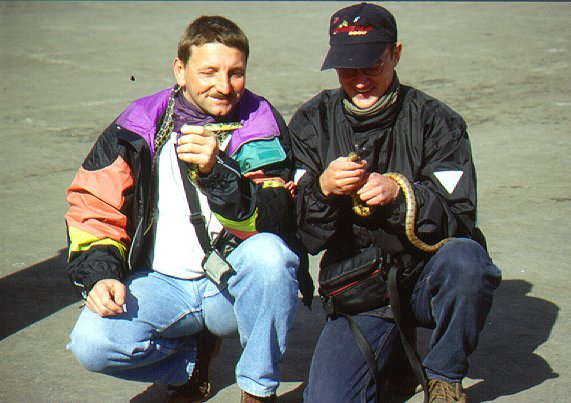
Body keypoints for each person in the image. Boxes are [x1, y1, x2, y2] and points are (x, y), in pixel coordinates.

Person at [65, 15, 312, 403]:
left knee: (272, 258)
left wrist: (218, 174)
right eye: (209, 72)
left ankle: (258, 388)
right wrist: (101, 275)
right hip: (162, 283)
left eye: (236, 73)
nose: (223, 86)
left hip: (229, 286)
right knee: (91, 343)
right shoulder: (139, 123)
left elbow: (276, 218)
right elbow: (92, 205)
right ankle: (193, 357)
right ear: (180, 70)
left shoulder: (259, 122)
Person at [288, 3, 501, 403]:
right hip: (359, 288)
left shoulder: (437, 121)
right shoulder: (311, 121)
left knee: (467, 260)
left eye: (372, 66)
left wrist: (400, 193)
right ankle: (395, 363)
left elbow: (461, 219)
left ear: (396, 54)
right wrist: (323, 188)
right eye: (349, 69)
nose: (361, 81)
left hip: (426, 277)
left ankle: (444, 376)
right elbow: (303, 237)